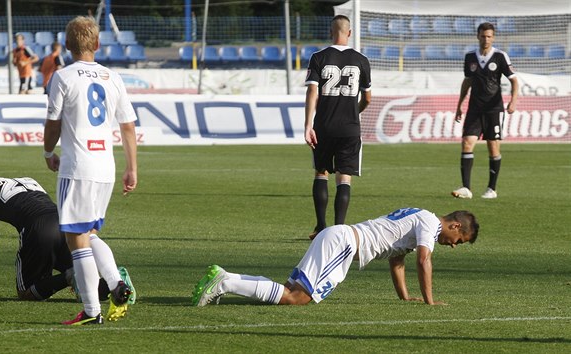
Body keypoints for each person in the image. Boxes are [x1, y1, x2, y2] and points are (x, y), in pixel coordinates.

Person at [43, 16, 138, 326]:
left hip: (78, 166)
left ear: (68, 45)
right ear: (97, 44)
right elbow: (127, 126)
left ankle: (92, 310)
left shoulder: (63, 76)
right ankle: (115, 283)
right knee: (89, 232)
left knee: (75, 238)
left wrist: (47, 151)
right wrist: (131, 168)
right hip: (106, 168)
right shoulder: (113, 78)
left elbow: (53, 123)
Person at [193, 208, 478, 307]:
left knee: (291, 292)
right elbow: (423, 261)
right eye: (459, 241)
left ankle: (227, 278)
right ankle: (224, 282)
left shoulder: (420, 218)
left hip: (340, 239)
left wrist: (405, 297)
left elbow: (397, 260)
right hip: (342, 244)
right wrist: (430, 301)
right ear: (454, 226)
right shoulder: (430, 224)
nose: (453, 246)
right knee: (298, 298)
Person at [0, 176, 134, 302]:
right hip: (64, 222)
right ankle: (115, 283)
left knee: (26, 293)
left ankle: (69, 276)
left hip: (38, 227)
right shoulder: (27, 180)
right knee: (86, 284)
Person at [304, 15, 372, 239]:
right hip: (350, 129)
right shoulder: (362, 60)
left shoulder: (319, 57)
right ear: (349, 33)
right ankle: (339, 230)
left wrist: (308, 124)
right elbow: (368, 99)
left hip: (323, 126)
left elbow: (312, 91)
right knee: (344, 178)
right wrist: (355, 112)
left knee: (321, 173)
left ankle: (320, 227)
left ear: (331, 31)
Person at [452, 22, 519, 199]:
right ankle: (466, 187)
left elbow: (514, 80)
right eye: (483, 36)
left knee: (493, 147)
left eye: (489, 36)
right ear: (478, 36)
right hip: (474, 108)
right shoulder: (470, 57)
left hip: (494, 109)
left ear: (493, 37)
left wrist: (513, 101)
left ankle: (491, 189)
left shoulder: (500, 56)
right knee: (467, 142)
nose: (486, 39)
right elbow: (467, 82)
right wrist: (459, 104)